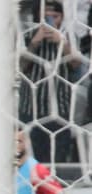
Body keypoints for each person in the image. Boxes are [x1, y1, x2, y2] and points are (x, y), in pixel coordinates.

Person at [19, 1, 81, 164]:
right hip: (30, 110)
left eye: (55, 17)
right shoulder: (27, 35)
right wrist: (35, 42)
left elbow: (77, 64)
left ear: (62, 17)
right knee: (31, 161)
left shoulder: (70, 37)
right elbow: (20, 66)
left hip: (60, 111)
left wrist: (63, 43)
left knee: (57, 162)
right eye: (46, 17)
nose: (51, 21)